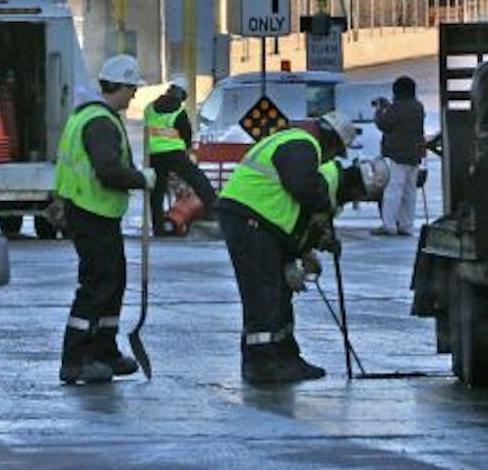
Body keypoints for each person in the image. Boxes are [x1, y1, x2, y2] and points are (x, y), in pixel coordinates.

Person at [216, 110, 389, 384]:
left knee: (279, 294)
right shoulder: (303, 145)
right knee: (264, 293)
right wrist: (320, 213)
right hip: (249, 219)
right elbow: (302, 188)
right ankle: (262, 365)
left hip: (262, 224)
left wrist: (302, 255)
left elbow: (296, 222)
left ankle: (286, 357)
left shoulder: (320, 172)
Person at [51, 52, 153, 385]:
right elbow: (108, 171)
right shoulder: (100, 122)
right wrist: (142, 180)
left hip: (93, 213)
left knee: (114, 281)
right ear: (120, 87)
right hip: (90, 214)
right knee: (96, 286)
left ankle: (104, 350)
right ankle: (76, 359)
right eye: (132, 88)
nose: (135, 94)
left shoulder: (91, 116)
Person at [141, 72, 218, 232]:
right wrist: (188, 150)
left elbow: (147, 129)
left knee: (157, 191)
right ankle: (213, 208)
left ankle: (158, 226)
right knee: (197, 178)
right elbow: (187, 134)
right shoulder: (179, 112)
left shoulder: (150, 108)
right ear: (182, 94)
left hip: (153, 155)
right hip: (174, 154)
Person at [372, 75, 427, 236]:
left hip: (398, 155)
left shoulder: (397, 107)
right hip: (414, 154)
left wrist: (380, 110)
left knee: (393, 190)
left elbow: (384, 124)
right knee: (410, 191)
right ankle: (406, 225)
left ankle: (389, 225)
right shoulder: (418, 106)